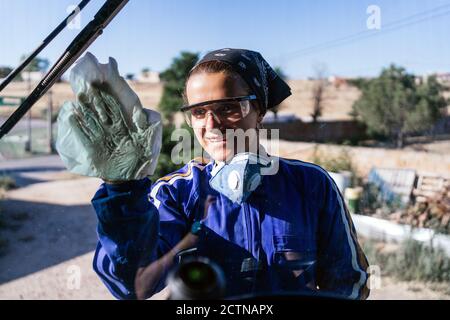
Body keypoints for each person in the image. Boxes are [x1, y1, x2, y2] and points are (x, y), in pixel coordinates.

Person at [91, 48, 370, 300]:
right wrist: (121, 189)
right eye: (199, 112)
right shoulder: (176, 193)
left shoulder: (311, 184)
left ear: (259, 110)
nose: (212, 124)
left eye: (228, 107)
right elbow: (132, 285)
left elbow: (348, 283)